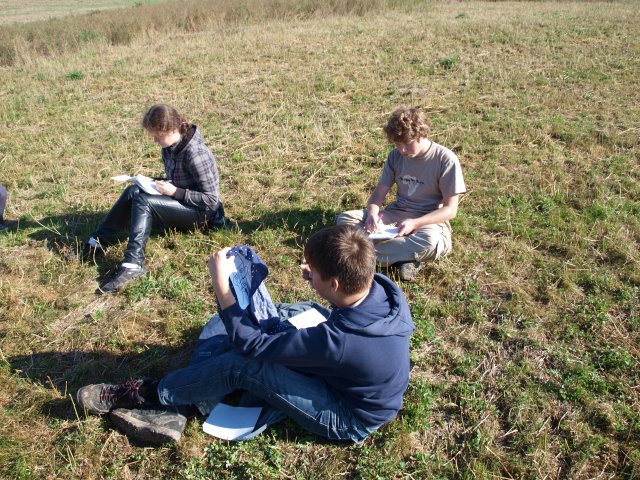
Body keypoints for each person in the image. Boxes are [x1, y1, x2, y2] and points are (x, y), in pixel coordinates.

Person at [76, 224, 415, 445]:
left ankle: (150, 395)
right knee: (296, 311)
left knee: (243, 362)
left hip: (347, 416)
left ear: (337, 283)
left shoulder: (339, 342)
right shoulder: (383, 289)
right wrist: (316, 280)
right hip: (352, 374)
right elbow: (338, 326)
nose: (307, 274)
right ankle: (198, 393)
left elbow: (251, 345)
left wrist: (222, 286)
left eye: (313, 273)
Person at [83, 104, 227, 293]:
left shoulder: (196, 154)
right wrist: (152, 183)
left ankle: (133, 264)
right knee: (133, 192)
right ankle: (98, 242)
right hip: (184, 202)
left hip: (202, 214)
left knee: (144, 201)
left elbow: (211, 200)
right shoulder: (169, 147)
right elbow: (180, 180)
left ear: (173, 129)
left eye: (158, 136)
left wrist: (175, 192)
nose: (155, 141)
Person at [337, 106, 466, 281]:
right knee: (345, 219)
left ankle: (357, 254)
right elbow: (378, 193)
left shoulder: (445, 159)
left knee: (431, 241)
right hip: (396, 214)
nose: (402, 150)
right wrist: (373, 215)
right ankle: (400, 256)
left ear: (422, 134)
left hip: (428, 221)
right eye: (398, 144)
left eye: (407, 144)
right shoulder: (395, 156)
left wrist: (415, 223)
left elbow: (450, 210)